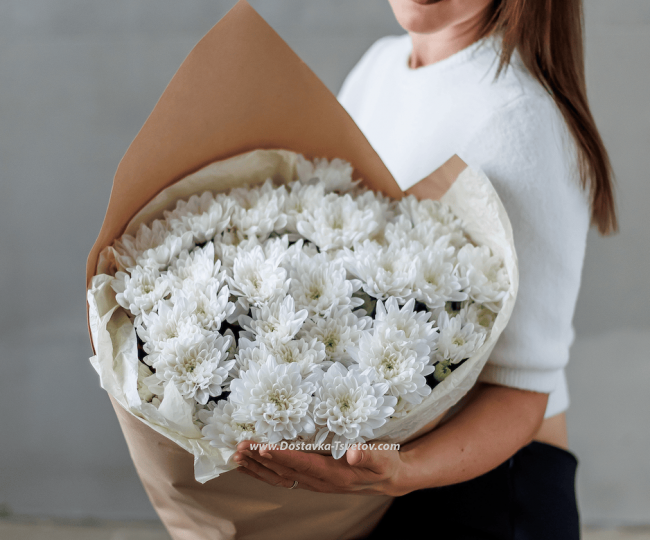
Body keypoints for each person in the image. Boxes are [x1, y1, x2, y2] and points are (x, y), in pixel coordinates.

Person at [232, 0, 617, 538]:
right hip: (381, 484)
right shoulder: (379, 69)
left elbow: (524, 388)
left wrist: (401, 470)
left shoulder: (522, 121)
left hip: (489, 492)